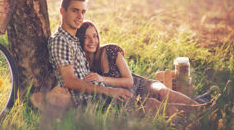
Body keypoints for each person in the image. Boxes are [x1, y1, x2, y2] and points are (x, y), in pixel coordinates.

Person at [76, 21, 211, 115]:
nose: (92, 41)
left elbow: (129, 81)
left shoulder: (110, 51)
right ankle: (200, 110)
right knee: (151, 103)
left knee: (162, 91)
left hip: (142, 85)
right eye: (86, 37)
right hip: (131, 98)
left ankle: (199, 108)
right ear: (80, 39)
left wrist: (102, 78)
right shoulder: (84, 66)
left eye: (94, 36)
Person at [47, 0, 132, 107]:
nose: (80, 17)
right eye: (74, 10)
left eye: (83, 12)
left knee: (151, 99)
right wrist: (109, 91)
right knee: (150, 105)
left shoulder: (74, 40)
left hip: (99, 93)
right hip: (91, 100)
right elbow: (69, 81)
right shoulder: (61, 40)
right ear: (62, 11)